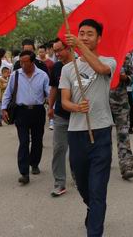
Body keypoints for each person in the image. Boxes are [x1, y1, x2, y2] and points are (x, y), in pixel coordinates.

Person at [60, 19, 116, 237]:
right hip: (76, 134)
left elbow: (100, 69)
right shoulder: (67, 69)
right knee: (83, 184)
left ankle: (94, 231)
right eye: (81, 33)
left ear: (99, 38)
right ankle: (92, 209)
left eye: (89, 34)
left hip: (101, 132)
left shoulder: (109, 62)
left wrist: (79, 46)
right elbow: (64, 101)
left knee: (98, 189)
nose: (84, 37)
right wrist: (76, 107)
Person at [1, 50, 50, 185]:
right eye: (20, 62)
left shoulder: (42, 75)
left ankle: (34, 163)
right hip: (21, 111)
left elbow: (49, 93)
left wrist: (52, 107)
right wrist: (3, 109)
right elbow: (8, 93)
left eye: (25, 62)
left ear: (32, 62)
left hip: (38, 111)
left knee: (37, 140)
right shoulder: (15, 75)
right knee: (23, 141)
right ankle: (24, 173)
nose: (22, 65)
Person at [48, 38, 72, 197]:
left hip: (79, 116)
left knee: (78, 150)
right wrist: (50, 107)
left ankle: (79, 177)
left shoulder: (80, 65)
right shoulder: (56, 67)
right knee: (58, 149)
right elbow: (54, 88)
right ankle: (59, 183)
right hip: (60, 115)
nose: (57, 54)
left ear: (68, 48)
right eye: (55, 51)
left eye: (59, 50)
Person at [109, 53, 133, 180]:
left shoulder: (125, 55)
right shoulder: (98, 55)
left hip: (121, 102)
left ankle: (126, 167)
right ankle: (103, 161)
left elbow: (132, 76)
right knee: (103, 135)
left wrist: (125, 78)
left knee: (123, 134)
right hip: (102, 102)